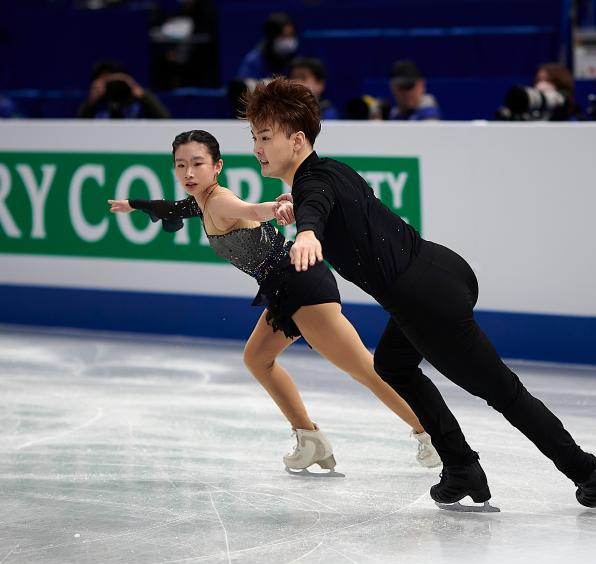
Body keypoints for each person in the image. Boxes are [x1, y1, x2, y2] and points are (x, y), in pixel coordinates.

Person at [245, 78, 596, 510]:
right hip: (442, 270)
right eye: (254, 137)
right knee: (393, 364)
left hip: (424, 300)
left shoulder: (313, 186)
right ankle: (461, 467)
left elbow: (317, 206)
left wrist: (307, 233)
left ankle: (587, 473)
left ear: (296, 140)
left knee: (504, 393)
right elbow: (327, 202)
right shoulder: (330, 169)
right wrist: (301, 214)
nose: (257, 147)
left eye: (266, 136)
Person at [107, 130, 441, 474]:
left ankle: (434, 434)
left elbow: (252, 208)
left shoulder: (220, 201)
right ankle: (309, 439)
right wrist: (134, 204)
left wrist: (278, 207)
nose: (189, 173)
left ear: (217, 166)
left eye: (197, 164)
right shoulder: (201, 202)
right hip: (284, 287)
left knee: (364, 369)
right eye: (181, 165)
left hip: (300, 284)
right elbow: (174, 207)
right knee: (257, 358)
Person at [78, 60, 171, 120]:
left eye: (113, 80)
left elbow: (164, 120)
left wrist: (143, 95)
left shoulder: (137, 101)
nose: (110, 85)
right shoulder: (96, 104)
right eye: (105, 81)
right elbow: (78, 128)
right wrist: (91, 102)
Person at [236, 12, 298, 80]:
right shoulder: (253, 61)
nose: (288, 40)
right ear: (271, 37)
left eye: (291, 35)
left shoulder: (297, 58)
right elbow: (244, 87)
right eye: (283, 36)